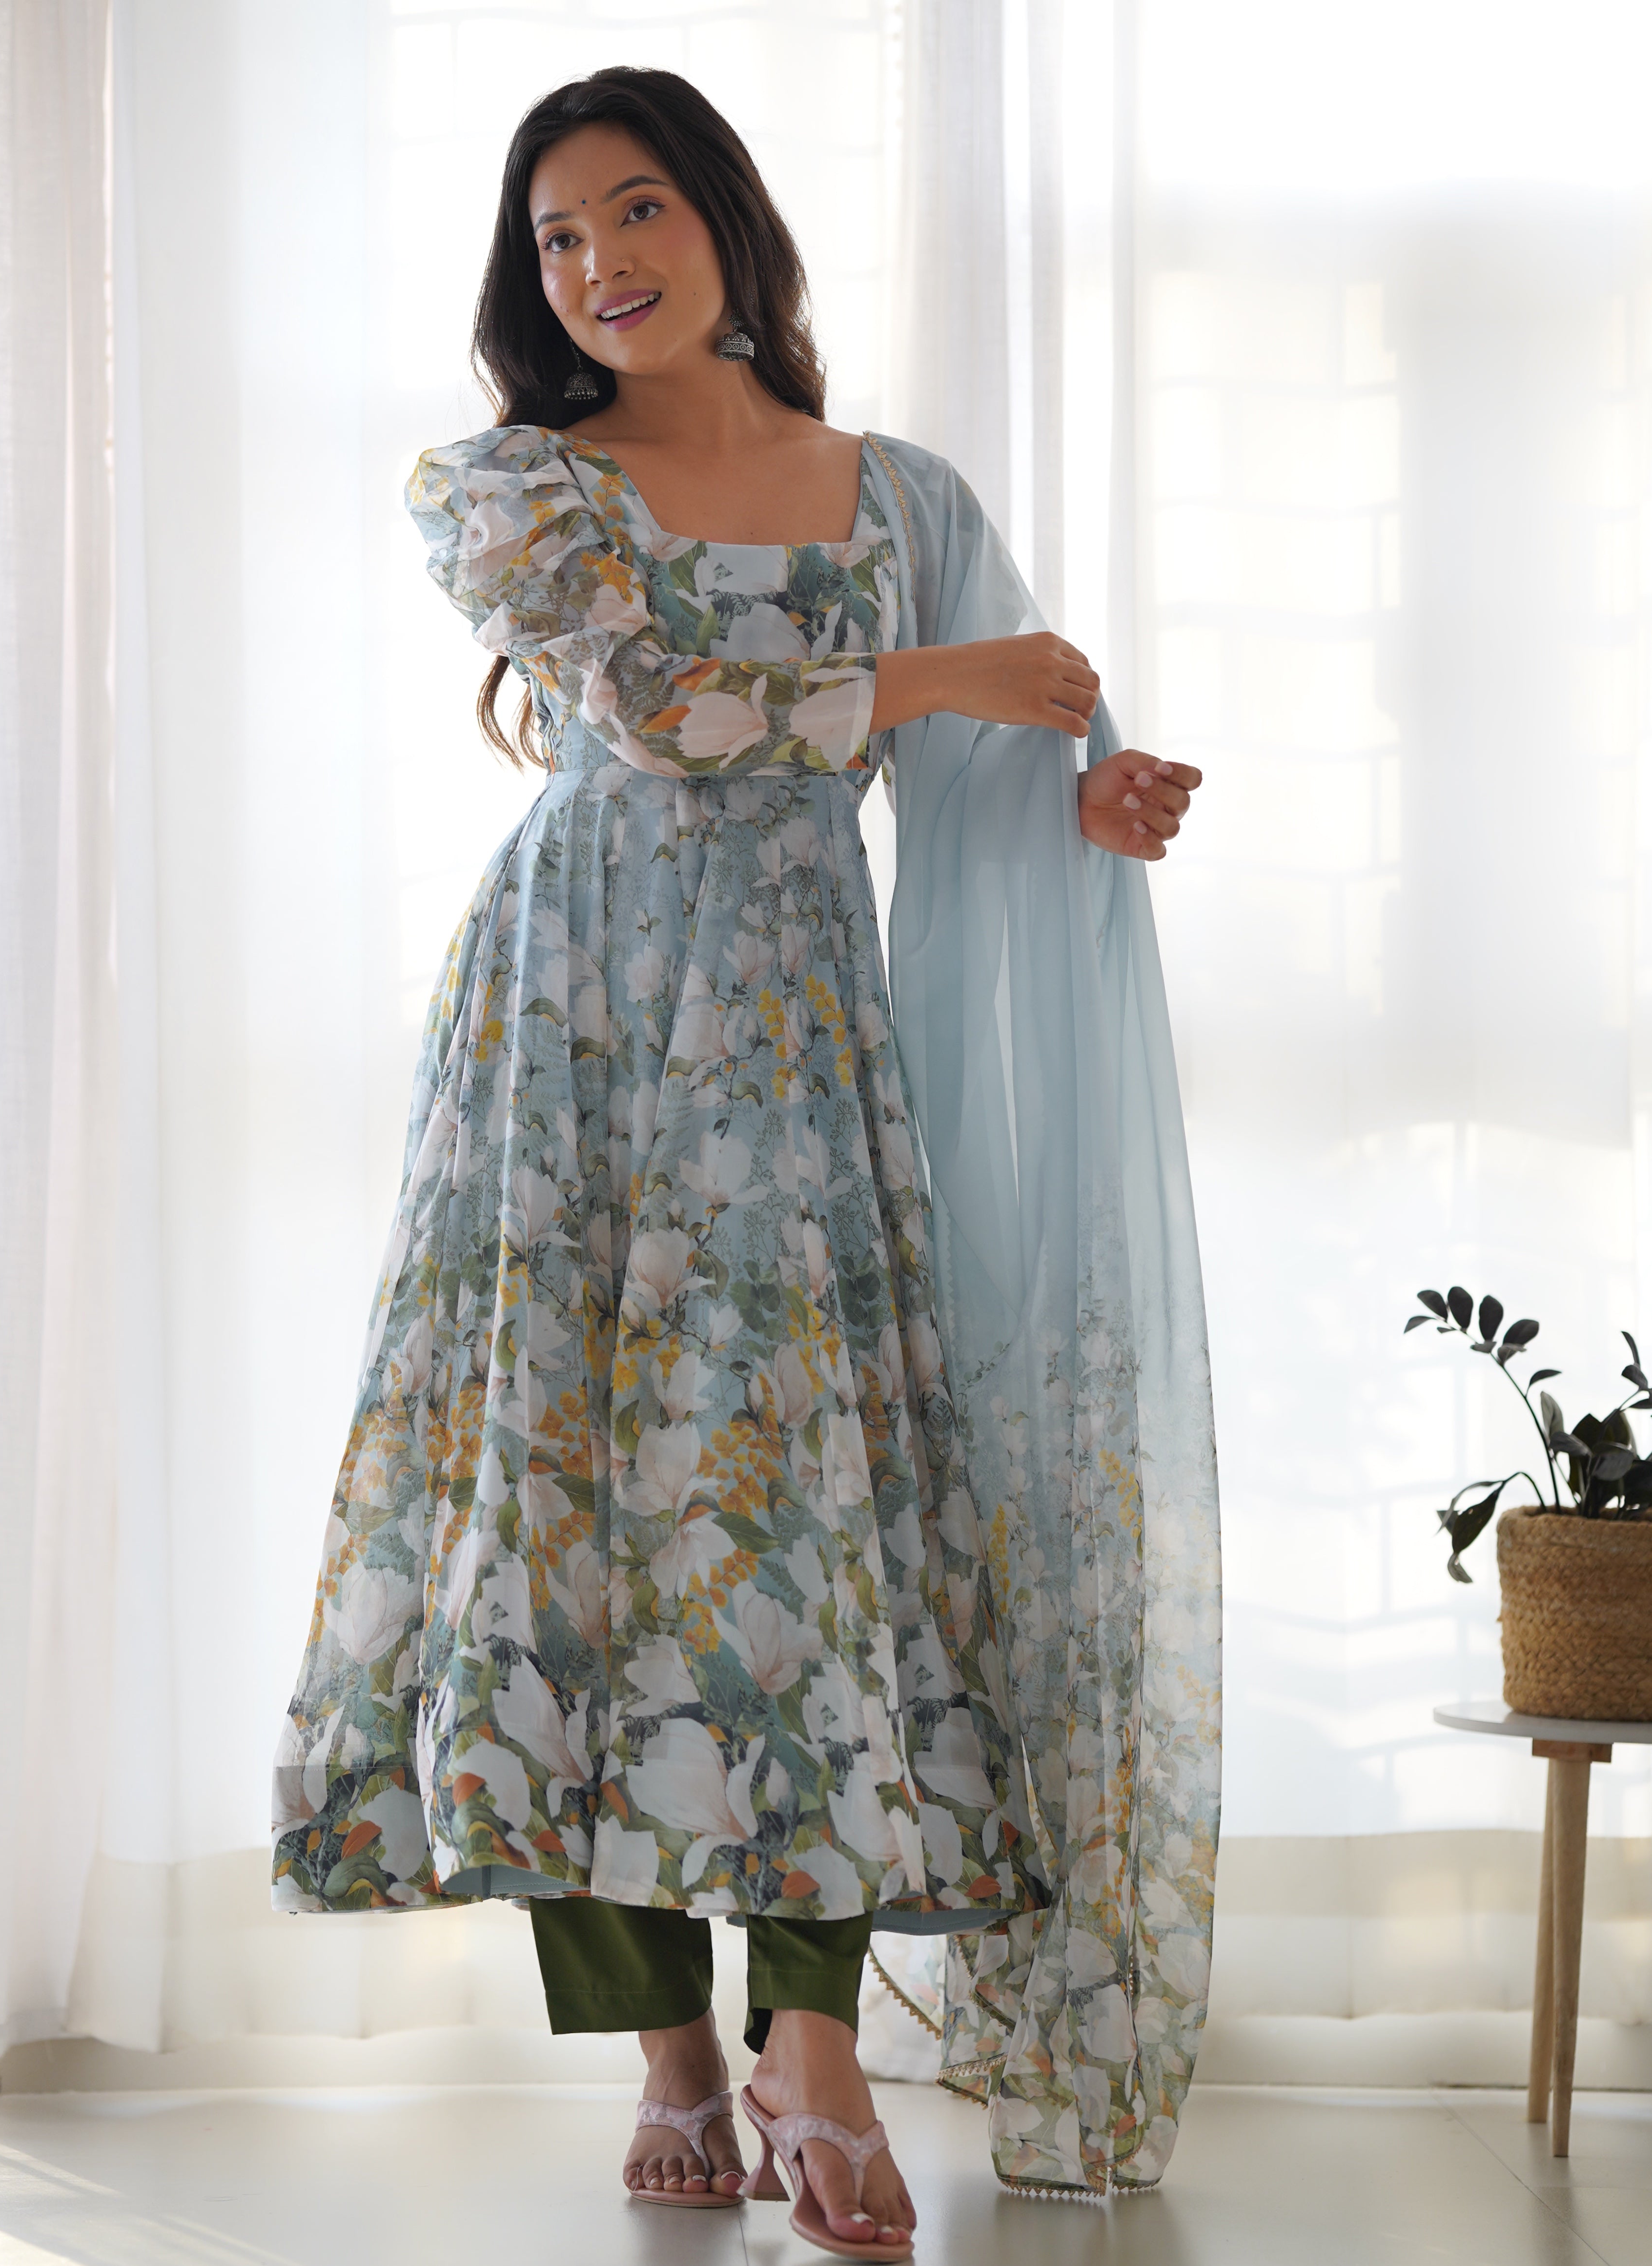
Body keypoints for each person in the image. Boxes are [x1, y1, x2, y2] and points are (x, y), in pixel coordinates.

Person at [272, 64, 1221, 2255]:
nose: (597, 265)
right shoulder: (509, 489)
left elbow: (977, 782)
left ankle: (813, 2045)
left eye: (635, 212)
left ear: (726, 223)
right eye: (552, 240)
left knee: (817, 1530)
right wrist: (950, 679)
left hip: (798, 1054)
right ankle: (670, 2050)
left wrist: (1078, 804)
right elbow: (664, 715)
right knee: (574, 1531)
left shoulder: (891, 496)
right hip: (572, 1044)